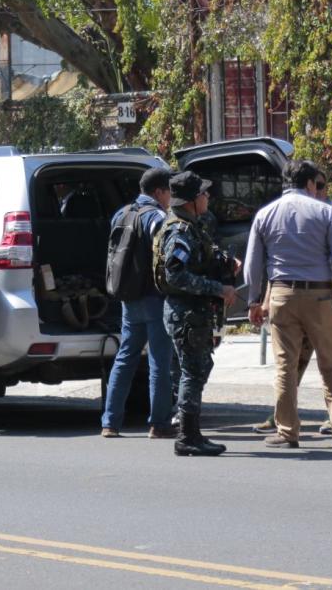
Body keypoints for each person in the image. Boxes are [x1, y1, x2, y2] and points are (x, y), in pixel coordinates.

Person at [244, 159, 332, 448]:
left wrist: (253, 300)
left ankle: (287, 432)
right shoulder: (325, 212)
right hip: (320, 296)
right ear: (310, 183)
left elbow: (253, 264)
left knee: (285, 365)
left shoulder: (265, 214)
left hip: (281, 295)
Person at [153, 171, 238, 456]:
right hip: (186, 312)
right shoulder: (180, 231)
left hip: (189, 312)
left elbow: (202, 254)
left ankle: (192, 433)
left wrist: (225, 262)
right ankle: (187, 436)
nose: (208, 197)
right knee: (192, 372)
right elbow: (175, 275)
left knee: (199, 368)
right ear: (191, 200)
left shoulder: (190, 226)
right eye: (203, 193)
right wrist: (217, 288)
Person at [101, 167, 176, 439]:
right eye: (169, 192)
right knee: (159, 361)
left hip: (128, 297)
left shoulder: (121, 214)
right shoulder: (156, 216)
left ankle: (110, 422)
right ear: (159, 192)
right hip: (155, 297)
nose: (171, 198)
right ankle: (159, 423)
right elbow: (167, 251)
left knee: (125, 358)